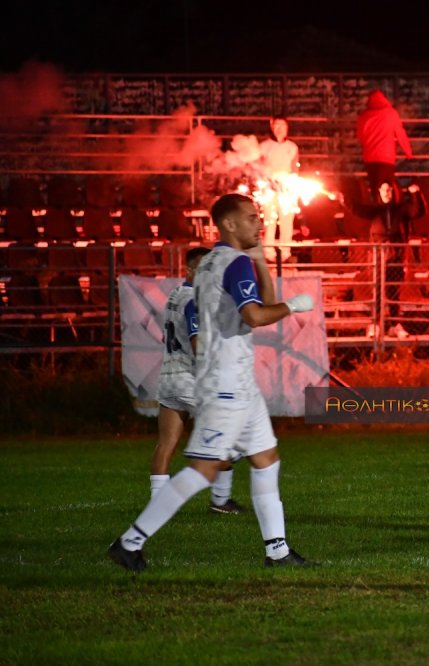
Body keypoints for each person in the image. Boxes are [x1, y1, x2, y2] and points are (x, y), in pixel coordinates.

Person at [108, 193, 316, 572]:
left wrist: (260, 259)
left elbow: (258, 298)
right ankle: (130, 541)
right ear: (229, 224)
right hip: (225, 381)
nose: (259, 223)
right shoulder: (233, 263)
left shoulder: (211, 263)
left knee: (266, 460)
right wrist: (294, 306)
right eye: (252, 218)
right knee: (205, 469)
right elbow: (255, 314)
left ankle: (278, 551)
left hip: (236, 379)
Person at [152, 246, 244, 514]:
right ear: (190, 270)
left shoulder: (175, 295)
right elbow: (197, 344)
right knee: (227, 439)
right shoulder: (194, 299)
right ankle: (220, 500)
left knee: (166, 444)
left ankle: (158, 504)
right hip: (190, 380)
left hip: (168, 377)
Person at [347, 181, 427, 339]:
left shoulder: (401, 209)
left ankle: (395, 325)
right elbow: (358, 209)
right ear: (379, 192)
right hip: (378, 254)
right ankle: (376, 324)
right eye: (383, 190)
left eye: (389, 190)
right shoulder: (375, 210)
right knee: (377, 289)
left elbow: (418, 211)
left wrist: (415, 194)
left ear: (393, 191)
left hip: (395, 254)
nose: (386, 193)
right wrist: (344, 199)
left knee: (393, 291)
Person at [357, 90, 413, 197]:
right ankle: (386, 210)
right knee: (386, 188)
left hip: (370, 157)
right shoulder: (391, 114)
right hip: (386, 157)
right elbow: (400, 134)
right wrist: (408, 152)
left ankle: (376, 208)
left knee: (374, 186)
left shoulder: (364, 116)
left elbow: (360, 136)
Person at [259, 115, 300, 263]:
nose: (279, 129)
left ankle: (285, 253)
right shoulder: (264, 146)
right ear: (272, 126)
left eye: (282, 125)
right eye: (276, 125)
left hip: (287, 188)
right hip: (268, 188)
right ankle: (268, 253)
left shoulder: (292, 147)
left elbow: (295, 168)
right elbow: (259, 167)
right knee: (269, 220)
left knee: (286, 221)